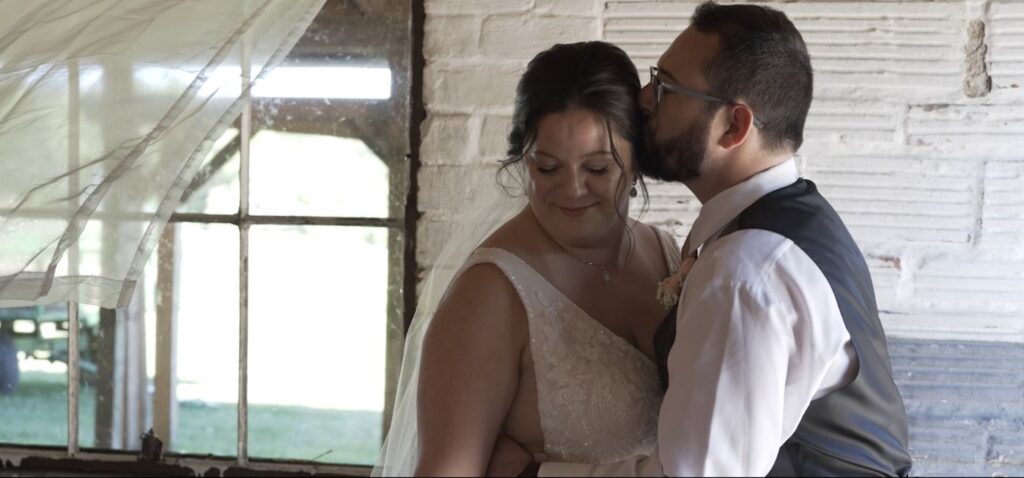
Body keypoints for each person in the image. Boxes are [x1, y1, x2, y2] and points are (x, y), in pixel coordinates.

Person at [490, 2, 913, 476]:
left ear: (734, 126)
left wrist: (531, 474)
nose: (643, 98)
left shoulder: (743, 272)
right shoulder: (798, 221)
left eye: (666, 88)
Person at [372, 41, 683, 476]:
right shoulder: (490, 294)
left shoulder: (667, 253)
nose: (572, 190)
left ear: (636, 163)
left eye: (597, 168)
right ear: (523, 161)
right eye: (547, 168)